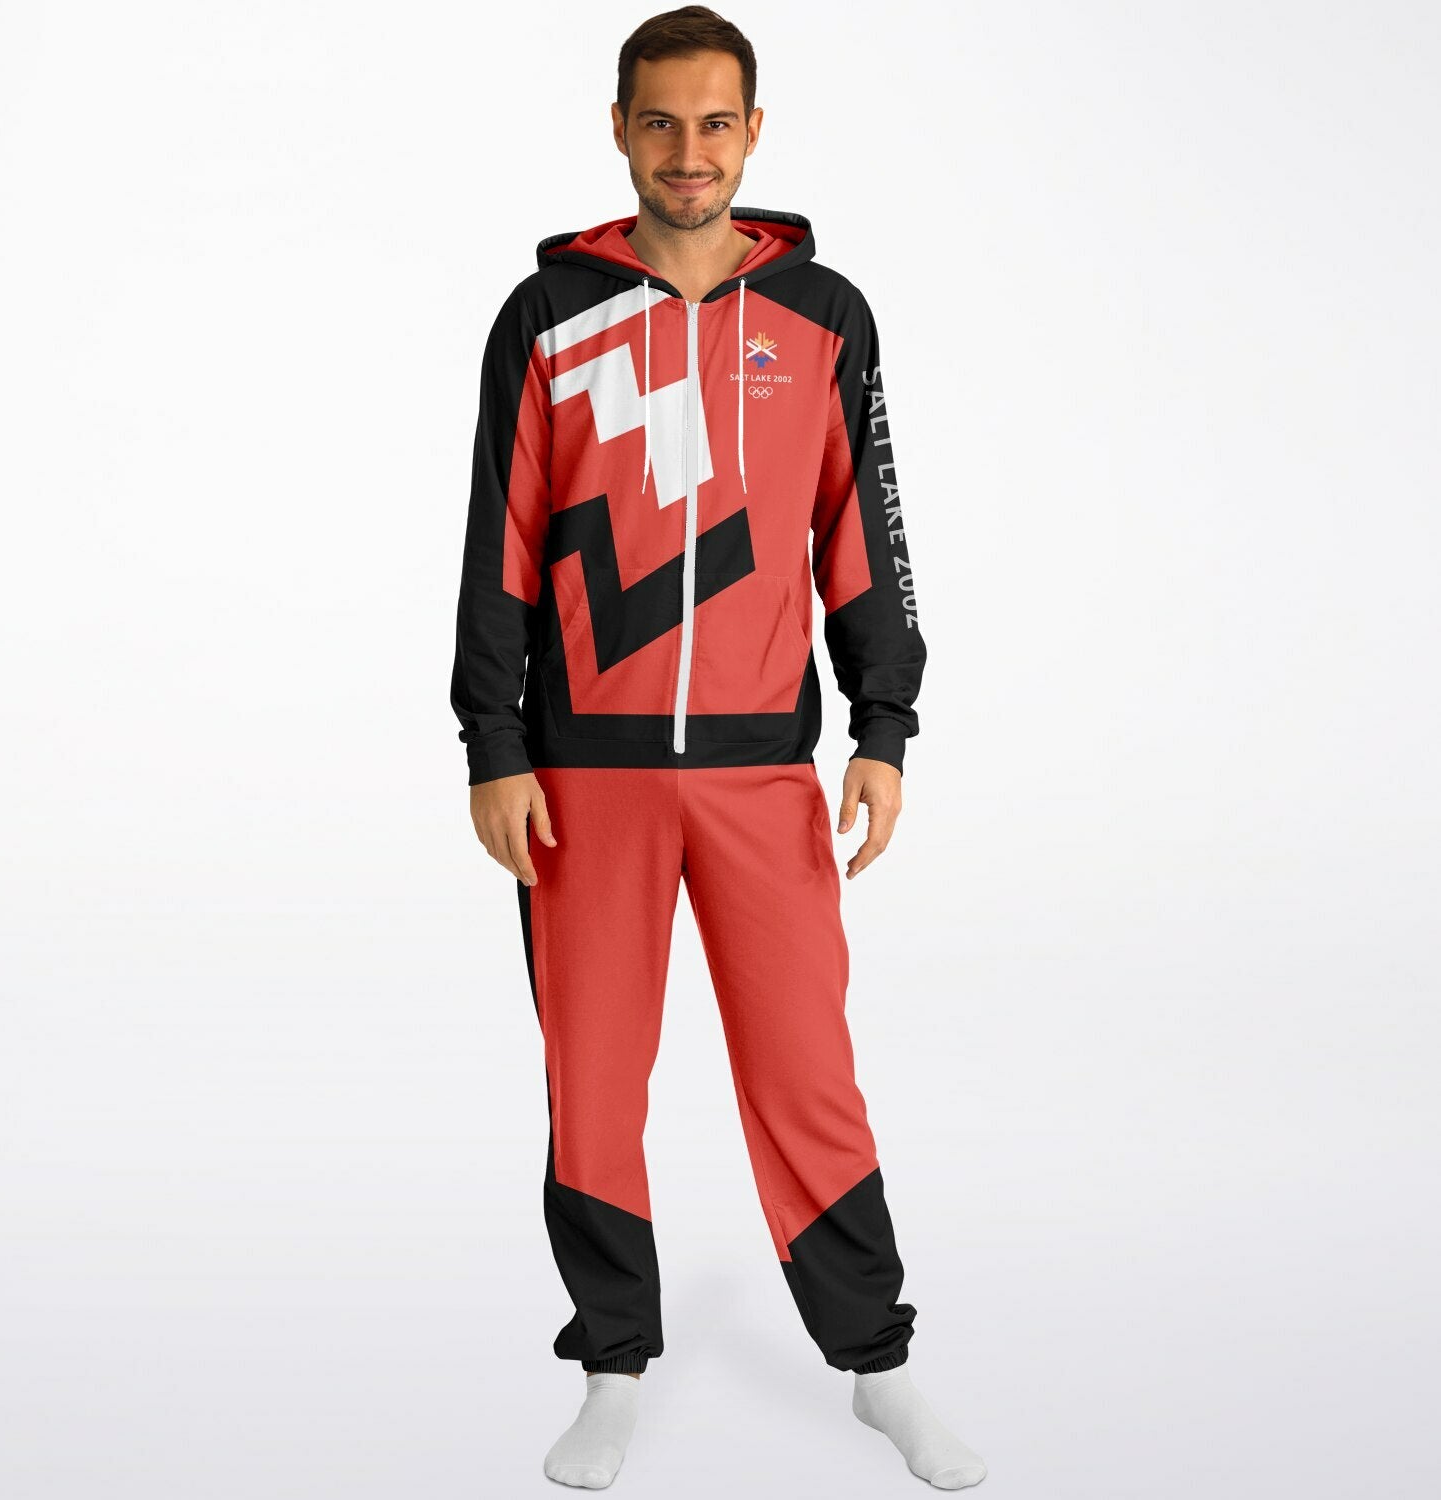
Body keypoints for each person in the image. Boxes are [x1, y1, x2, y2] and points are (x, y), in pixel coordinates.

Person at [450, 7, 987, 1490]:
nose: (688, 152)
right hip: (582, 778)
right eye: (661, 122)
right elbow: (498, 538)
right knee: (594, 1079)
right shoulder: (545, 317)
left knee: (807, 1070)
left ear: (754, 133)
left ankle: (877, 1366)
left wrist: (883, 723)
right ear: (619, 129)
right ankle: (613, 1367)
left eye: (715, 123)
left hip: (763, 771)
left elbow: (863, 527)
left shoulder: (824, 315)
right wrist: (494, 742)